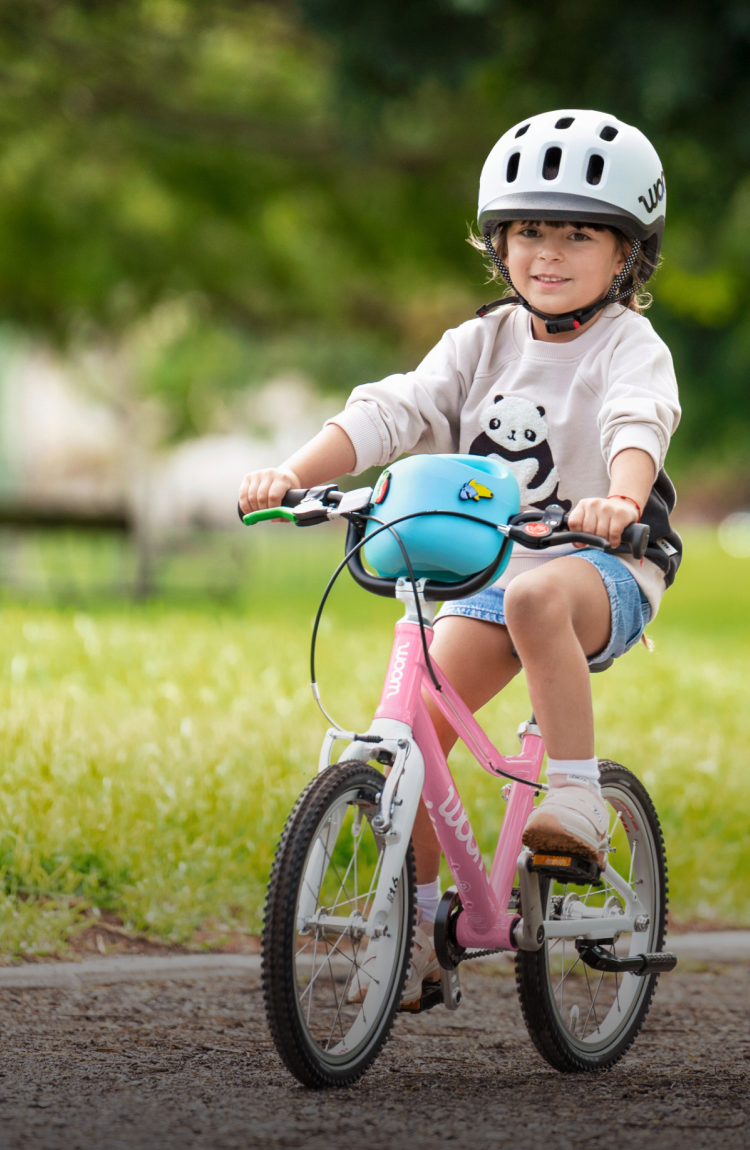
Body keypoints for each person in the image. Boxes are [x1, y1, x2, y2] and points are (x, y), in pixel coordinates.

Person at [238, 109, 681, 1008]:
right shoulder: (480, 343)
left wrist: (621, 502)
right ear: (497, 243)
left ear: (628, 254)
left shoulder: (630, 345)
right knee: (412, 740)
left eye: (576, 235)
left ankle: (577, 795)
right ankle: (427, 929)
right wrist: (295, 474)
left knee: (535, 603)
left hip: (604, 569)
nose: (547, 255)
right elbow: (390, 411)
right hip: (495, 570)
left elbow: (638, 422)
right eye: (527, 233)